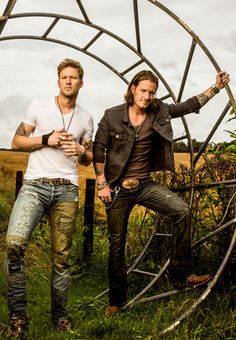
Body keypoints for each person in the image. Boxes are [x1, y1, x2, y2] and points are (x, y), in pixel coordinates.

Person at [93, 69, 230, 316]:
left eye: (151, 92)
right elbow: (99, 148)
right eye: (143, 90)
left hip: (144, 184)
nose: (147, 96)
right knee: (117, 243)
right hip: (117, 188)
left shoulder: (160, 111)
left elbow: (189, 105)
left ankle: (180, 275)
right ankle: (116, 300)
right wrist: (102, 183)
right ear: (133, 89)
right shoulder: (112, 116)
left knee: (181, 211)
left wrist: (216, 87)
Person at [4, 58, 94, 337]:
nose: (68, 81)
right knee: (14, 244)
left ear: (81, 83)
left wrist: (80, 149)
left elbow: (89, 159)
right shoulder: (38, 107)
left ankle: (60, 318)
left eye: (74, 77)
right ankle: (18, 319)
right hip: (34, 186)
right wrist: (46, 139)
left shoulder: (86, 117)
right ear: (58, 81)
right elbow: (16, 142)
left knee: (61, 258)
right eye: (64, 77)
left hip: (66, 190)